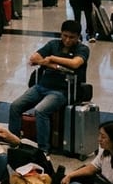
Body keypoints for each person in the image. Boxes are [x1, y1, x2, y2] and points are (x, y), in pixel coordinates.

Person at [8, 19, 89, 150]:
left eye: (72, 37)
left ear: (78, 37)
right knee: (15, 106)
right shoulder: (53, 44)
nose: (67, 40)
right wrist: (56, 65)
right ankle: (15, 143)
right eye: (65, 36)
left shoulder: (82, 49)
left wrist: (51, 59)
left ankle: (43, 149)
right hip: (41, 86)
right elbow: (34, 58)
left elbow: (75, 64)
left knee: (41, 110)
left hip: (62, 91)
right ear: (61, 34)